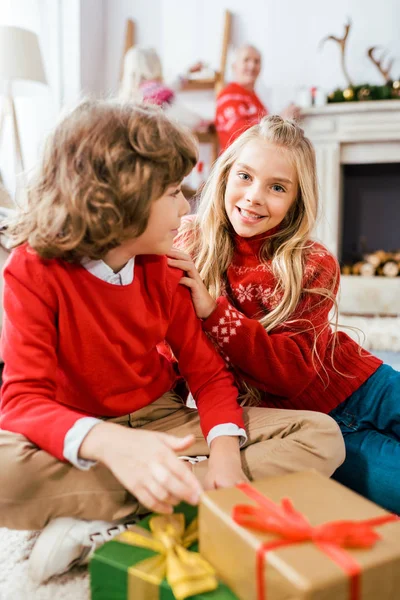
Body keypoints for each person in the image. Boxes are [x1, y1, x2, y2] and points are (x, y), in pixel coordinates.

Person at [0, 102, 344, 583]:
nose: (186, 207)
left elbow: (206, 373)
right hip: (80, 428)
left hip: (162, 417)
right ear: (121, 199)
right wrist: (113, 445)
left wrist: (224, 454)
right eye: (170, 192)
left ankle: (112, 515)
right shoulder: (31, 270)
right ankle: (173, 497)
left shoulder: (166, 265)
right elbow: (20, 400)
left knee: (322, 436)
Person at [168, 114, 400, 514]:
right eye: (245, 176)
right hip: (298, 430)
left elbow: (291, 372)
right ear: (225, 175)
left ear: (296, 200)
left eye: (277, 187)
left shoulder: (312, 262)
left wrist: (213, 311)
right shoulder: (186, 241)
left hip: (362, 384)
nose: (255, 196)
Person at [215, 45, 300, 152]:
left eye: (257, 61)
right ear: (234, 66)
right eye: (246, 60)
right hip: (240, 163)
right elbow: (243, 136)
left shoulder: (253, 97)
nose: (252, 66)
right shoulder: (229, 96)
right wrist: (280, 120)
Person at [119, 46, 211, 131]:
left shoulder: (129, 95)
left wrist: (187, 72)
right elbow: (181, 115)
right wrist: (202, 122)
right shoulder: (157, 92)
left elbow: (171, 85)